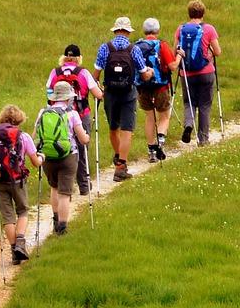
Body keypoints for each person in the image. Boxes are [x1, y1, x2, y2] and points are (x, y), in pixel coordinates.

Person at [35, 82, 92, 235]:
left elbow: (36, 136)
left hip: (47, 156)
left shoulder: (43, 112)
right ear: (68, 98)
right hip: (68, 156)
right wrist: (87, 136)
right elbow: (82, 138)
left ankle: (55, 219)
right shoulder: (72, 113)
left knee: (54, 187)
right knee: (65, 193)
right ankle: (62, 227)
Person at [0, 105, 37, 261]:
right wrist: (41, 158)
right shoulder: (23, 136)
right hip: (18, 180)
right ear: (19, 119)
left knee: (8, 217)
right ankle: (20, 242)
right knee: (23, 211)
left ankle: (14, 251)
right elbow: (35, 161)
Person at [48, 45, 102, 193]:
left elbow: (48, 93)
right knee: (81, 147)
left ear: (64, 57)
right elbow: (98, 95)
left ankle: (63, 184)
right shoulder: (83, 72)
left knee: (63, 145)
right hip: (80, 114)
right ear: (79, 57)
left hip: (58, 116)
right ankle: (84, 185)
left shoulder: (55, 72)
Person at [95, 18, 142, 179]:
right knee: (127, 129)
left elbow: (96, 74)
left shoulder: (105, 48)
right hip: (128, 93)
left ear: (115, 31)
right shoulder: (133, 49)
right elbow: (143, 72)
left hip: (110, 93)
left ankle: (118, 156)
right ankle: (121, 166)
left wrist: (99, 89)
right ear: (128, 32)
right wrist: (149, 73)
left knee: (113, 127)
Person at [175, 1, 221, 145]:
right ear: (203, 13)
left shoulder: (180, 29)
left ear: (189, 13)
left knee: (189, 103)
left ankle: (188, 124)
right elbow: (218, 52)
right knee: (205, 105)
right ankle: (203, 139)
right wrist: (209, 53)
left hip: (186, 73)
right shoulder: (209, 29)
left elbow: (174, 51)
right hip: (206, 72)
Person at [133, 18, 176, 163]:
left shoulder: (136, 46)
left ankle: (151, 150)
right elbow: (172, 66)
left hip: (142, 86)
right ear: (157, 30)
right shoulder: (161, 45)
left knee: (149, 117)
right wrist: (180, 57)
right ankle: (161, 142)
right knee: (164, 116)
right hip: (161, 86)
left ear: (144, 31)